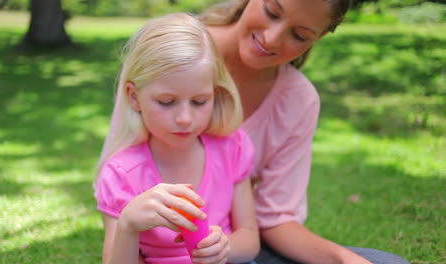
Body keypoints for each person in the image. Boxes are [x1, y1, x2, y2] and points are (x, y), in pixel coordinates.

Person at [198, 0, 411, 263]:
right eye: (271, 12)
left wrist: (343, 259)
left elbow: (275, 217)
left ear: (319, 37)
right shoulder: (173, 52)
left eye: (299, 35)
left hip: (239, 246)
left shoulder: (297, 100)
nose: (271, 39)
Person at [94, 13, 259, 264]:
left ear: (214, 94)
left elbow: (249, 238)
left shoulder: (231, 148)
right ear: (134, 97)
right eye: (167, 102)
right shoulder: (121, 174)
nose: (184, 118)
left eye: (199, 101)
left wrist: (226, 248)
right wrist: (128, 224)